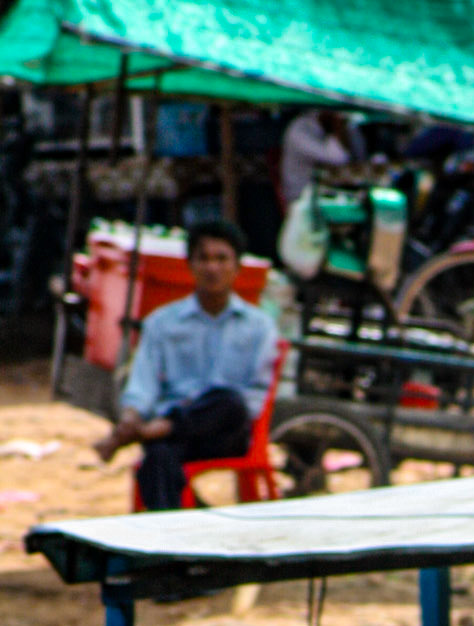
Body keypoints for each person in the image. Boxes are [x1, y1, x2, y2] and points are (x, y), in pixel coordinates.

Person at [94, 220, 276, 512]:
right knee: (157, 457)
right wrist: (132, 416)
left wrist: (164, 424)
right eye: (203, 259)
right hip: (173, 437)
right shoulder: (162, 323)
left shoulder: (259, 326)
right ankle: (168, 546)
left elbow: (254, 399)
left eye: (221, 259)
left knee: (228, 400)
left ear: (237, 267)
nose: (212, 268)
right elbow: (143, 384)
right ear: (190, 265)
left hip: (226, 433)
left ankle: (150, 432)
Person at [281, 106, 362, 208]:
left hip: (329, 194)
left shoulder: (342, 126)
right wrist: (337, 126)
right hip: (301, 199)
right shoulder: (300, 129)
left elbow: (360, 155)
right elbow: (339, 159)